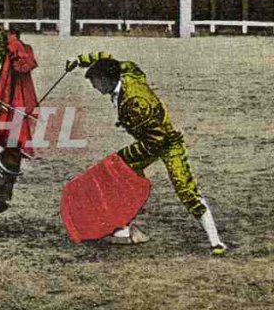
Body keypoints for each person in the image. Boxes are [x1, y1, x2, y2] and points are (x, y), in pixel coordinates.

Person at [73, 52, 227, 255]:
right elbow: (113, 60)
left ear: (106, 80)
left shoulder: (136, 101)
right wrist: (83, 60)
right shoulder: (127, 72)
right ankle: (122, 228)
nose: (94, 87)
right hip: (152, 139)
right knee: (120, 174)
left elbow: (155, 141)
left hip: (165, 143)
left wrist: (123, 157)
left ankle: (215, 241)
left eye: (95, 82)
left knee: (184, 188)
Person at [0, 29, 39, 157]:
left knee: (8, 111)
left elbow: (21, 64)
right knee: (16, 110)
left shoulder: (13, 46)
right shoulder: (21, 46)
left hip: (9, 85)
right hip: (13, 85)